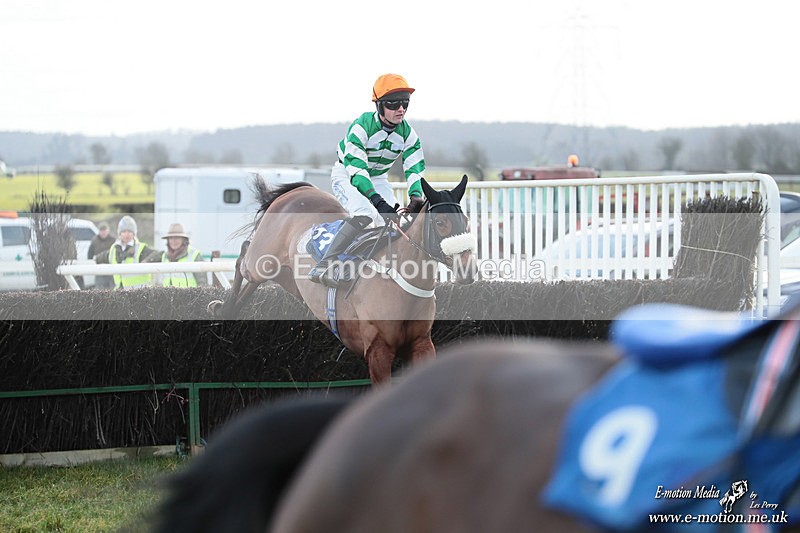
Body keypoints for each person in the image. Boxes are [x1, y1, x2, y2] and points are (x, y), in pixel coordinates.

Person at [310, 73, 427, 286]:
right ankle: (324, 265)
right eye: (393, 104)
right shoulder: (361, 127)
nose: (400, 109)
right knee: (365, 214)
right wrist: (378, 201)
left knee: (392, 222)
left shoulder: (409, 134)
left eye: (405, 103)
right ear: (379, 106)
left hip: (378, 177)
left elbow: (414, 167)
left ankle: (375, 268)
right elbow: (358, 171)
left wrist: (416, 195)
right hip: (348, 174)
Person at [93, 215, 160, 290]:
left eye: (129, 231)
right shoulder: (114, 249)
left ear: (134, 234)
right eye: (124, 231)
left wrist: (146, 261)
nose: (126, 234)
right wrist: (94, 259)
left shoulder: (141, 249)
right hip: (120, 294)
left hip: (140, 294)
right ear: (120, 234)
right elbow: (104, 256)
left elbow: (158, 254)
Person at [159, 222, 207, 287]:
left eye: (177, 238)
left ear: (183, 240)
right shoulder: (164, 256)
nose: (173, 241)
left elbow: (203, 283)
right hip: (168, 296)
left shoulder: (194, 255)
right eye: (171, 238)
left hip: (191, 296)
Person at [87, 221, 116, 289]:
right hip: (99, 270)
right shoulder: (94, 240)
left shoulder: (113, 240)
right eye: (101, 230)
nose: (103, 232)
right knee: (99, 289)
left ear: (108, 230)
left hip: (111, 270)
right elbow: (90, 254)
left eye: (105, 230)